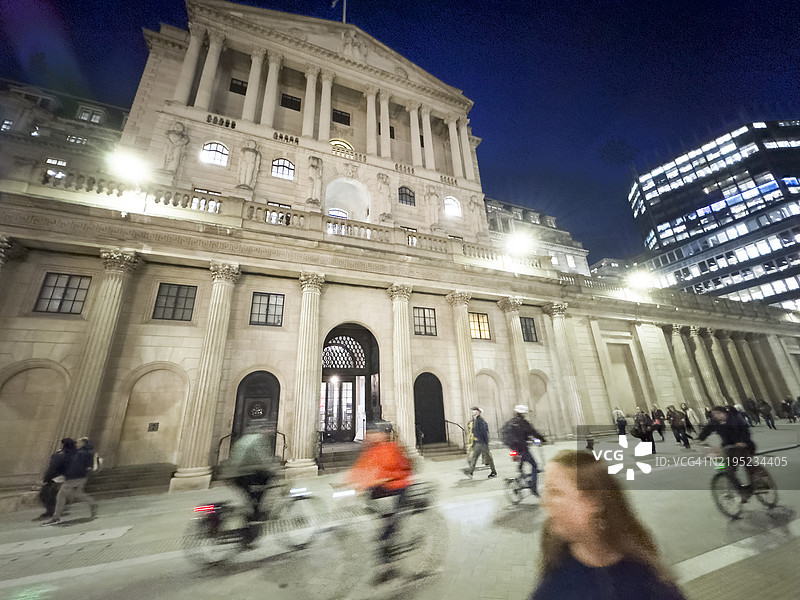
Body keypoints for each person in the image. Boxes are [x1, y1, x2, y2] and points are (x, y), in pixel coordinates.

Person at [530, 450, 687, 600]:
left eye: (555, 492)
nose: (544, 503)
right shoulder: (555, 560)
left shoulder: (644, 578)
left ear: (592, 500)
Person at [347, 421, 414, 584]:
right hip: (383, 491)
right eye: (368, 433)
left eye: (373, 433)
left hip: (399, 487)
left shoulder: (391, 448)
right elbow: (361, 468)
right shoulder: (372, 450)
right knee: (382, 524)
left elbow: (397, 469)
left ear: (382, 434)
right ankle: (388, 552)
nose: (369, 436)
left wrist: (383, 478)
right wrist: (347, 483)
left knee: (388, 528)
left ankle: (389, 566)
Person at [218, 428, 279, 521]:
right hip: (244, 472)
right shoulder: (259, 440)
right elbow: (262, 458)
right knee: (260, 487)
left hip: (234, 472)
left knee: (251, 493)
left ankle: (253, 510)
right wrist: (273, 470)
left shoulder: (246, 438)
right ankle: (255, 513)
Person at [697, 406, 757, 496]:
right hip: (728, 447)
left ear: (724, 413)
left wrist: (742, 441)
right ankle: (740, 489)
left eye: (718, 413)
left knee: (746, 464)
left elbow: (745, 431)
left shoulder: (735, 419)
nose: (716, 416)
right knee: (725, 468)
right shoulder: (714, 422)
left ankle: (756, 482)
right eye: (714, 414)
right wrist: (700, 438)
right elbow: (707, 429)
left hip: (744, 445)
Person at [42, 438, 98, 526]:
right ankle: (92, 503)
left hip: (73, 478)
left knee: (61, 495)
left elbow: (60, 467)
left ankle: (56, 518)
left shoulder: (68, 453)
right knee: (77, 494)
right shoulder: (79, 453)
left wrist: (48, 478)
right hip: (81, 477)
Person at [500, 405, 547, 496]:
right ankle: (533, 488)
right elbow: (533, 432)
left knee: (522, 459)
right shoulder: (523, 423)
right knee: (534, 465)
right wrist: (543, 439)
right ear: (523, 413)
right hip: (522, 447)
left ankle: (520, 474)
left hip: (512, 448)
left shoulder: (509, 422)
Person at [463, 407, 497, 479]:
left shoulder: (480, 421)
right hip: (479, 442)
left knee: (482, 457)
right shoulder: (476, 420)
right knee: (476, 457)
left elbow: (484, 432)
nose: (472, 412)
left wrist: (484, 441)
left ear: (478, 412)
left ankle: (493, 472)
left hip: (481, 443)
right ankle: (471, 472)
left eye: (474, 410)